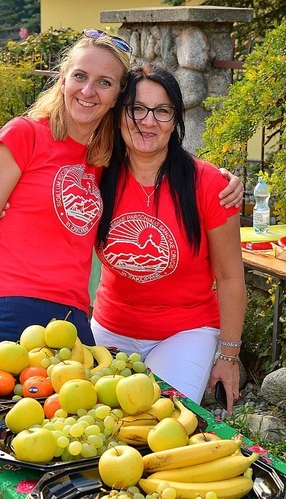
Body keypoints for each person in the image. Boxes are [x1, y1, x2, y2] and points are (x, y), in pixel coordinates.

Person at [0, 30, 244, 357]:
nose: (88, 91)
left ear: (117, 96)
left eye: (104, 82)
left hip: (73, 315)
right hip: (13, 306)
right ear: (63, 80)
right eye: (80, 76)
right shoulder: (25, 135)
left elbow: (155, 156)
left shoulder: (101, 158)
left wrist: (220, 177)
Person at [91, 64, 247, 412]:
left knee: (164, 418)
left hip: (185, 331)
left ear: (175, 121)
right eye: (136, 109)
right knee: (98, 415)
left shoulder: (208, 185)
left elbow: (230, 276)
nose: (148, 122)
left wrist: (229, 356)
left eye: (162, 111)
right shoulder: (96, 175)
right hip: (110, 328)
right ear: (118, 115)